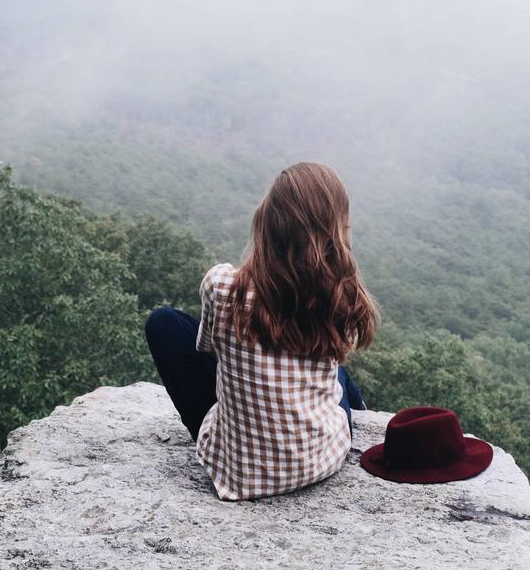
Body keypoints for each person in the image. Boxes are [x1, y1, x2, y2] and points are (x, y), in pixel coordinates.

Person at [145, 162, 380, 500]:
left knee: (164, 323)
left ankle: (249, 435)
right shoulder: (339, 295)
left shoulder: (221, 285)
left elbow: (209, 350)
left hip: (238, 474)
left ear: (268, 220)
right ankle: (358, 405)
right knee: (339, 374)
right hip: (321, 460)